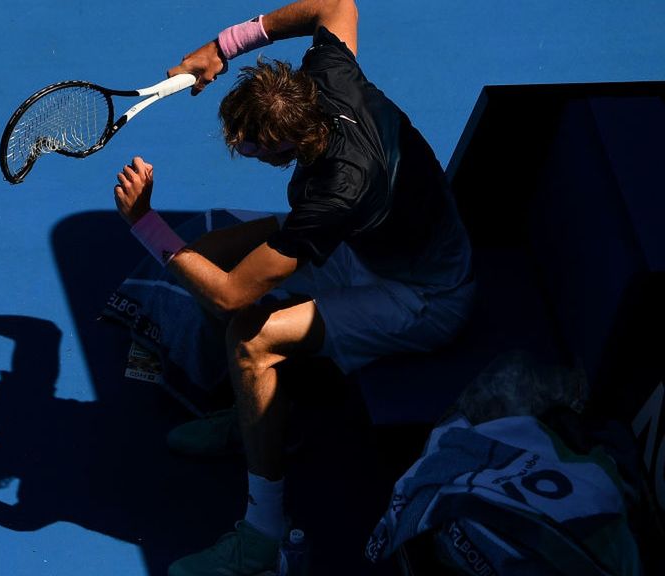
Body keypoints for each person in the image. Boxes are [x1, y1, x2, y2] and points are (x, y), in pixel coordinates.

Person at [112, 1, 475, 574]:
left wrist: (144, 223)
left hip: (420, 294)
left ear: (286, 145)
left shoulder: (337, 191)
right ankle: (254, 416)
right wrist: (223, 45)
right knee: (203, 260)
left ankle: (260, 537)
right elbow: (336, 4)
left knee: (247, 337)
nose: (249, 157)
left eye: (253, 150)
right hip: (368, 242)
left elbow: (231, 296)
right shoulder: (328, 75)